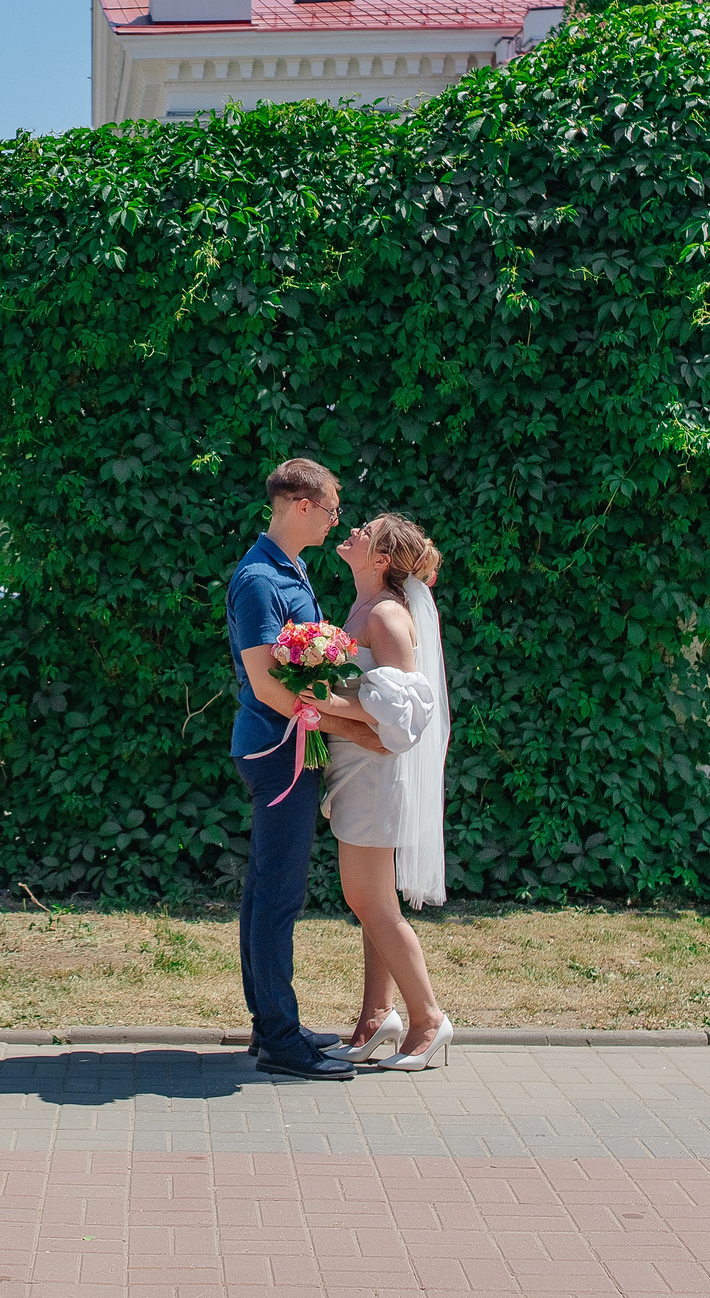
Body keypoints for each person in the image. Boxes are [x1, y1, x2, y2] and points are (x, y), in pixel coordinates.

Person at [225, 458, 387, 1081]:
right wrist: (353, 727)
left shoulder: (288, 570)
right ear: (299, 504)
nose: (335, 520)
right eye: (331, 509)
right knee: (278, 895)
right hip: (276, 749)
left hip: (292, 745)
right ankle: (279, 1041)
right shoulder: (259, 578)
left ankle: (273, 1027)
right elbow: (267, 685)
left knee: (269, 889)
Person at [323, 513, 455, 1070]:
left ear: (380, 559)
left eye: (366, 531)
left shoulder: (386, 615)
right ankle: (376, 1017)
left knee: (367, 900)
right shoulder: (364, 606)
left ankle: (428, 1020)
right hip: (355, 767)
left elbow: (405, 710)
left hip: (378, 773)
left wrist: (326, 702)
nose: (351, 531)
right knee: (375, 901)